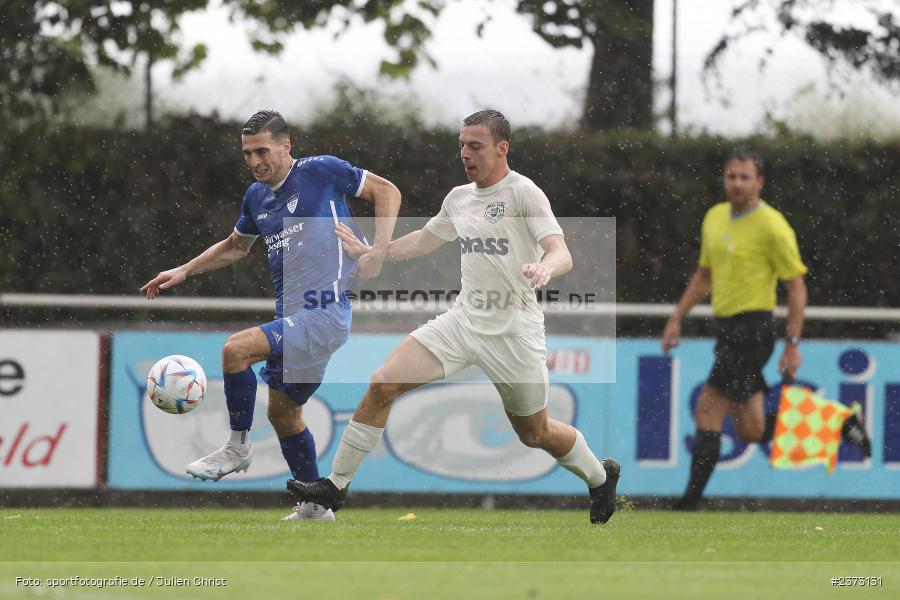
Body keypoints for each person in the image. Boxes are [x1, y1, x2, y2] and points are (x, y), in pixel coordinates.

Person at [285, 109, 621, 525]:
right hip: (462, 323)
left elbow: (560, 251)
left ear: (502, 148)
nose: (465, 154)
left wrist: (545, 267)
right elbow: (424, 241)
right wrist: (376, 251)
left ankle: (600, 477)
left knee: (535, 433)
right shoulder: (459, 198)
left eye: (475, 146)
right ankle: (334, 488)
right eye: (462, 145)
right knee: (382, 383)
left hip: (514, 334)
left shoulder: (524, 193)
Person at [140, 109, 400, 521]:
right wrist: (185, 270)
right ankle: (315, 507)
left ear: (285, 146)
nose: (255, 161)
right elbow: (235, 246)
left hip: (326, 312)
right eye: (247, 153)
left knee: (235, 350)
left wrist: (379, 250)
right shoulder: (256, 197)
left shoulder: (321, 171)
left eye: (262, 150)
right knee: (283, 414)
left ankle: (237, 447)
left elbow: (387, 191)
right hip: (296, 319)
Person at [661, 148, 871, 511]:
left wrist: (792, 343)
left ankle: (688, 504)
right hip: (728, 330)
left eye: (745, 177)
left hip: (753, 330)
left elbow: (796, 286)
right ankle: (838, 423)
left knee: (707, 410)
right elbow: (705, 275)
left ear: (759, 183)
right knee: (751, 429)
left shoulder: (773, 226)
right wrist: (677, 316)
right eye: (731, 176)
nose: (736, 183)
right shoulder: (714, 217)